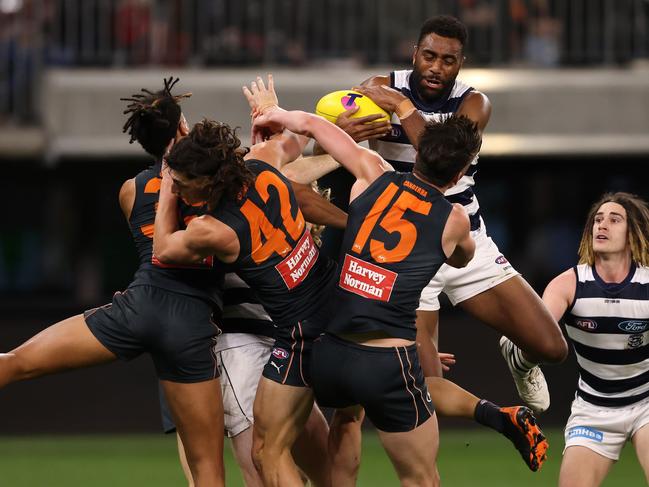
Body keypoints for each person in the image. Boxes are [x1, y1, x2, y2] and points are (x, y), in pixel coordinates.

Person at [251, 100, 546, 484]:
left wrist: (274, 113)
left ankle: (494, 415)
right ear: (459, 174)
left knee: (343, 421)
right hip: (387, 362)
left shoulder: (373, 173)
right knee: (421, 477)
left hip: (332, 352)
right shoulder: (453, 219)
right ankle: (496, 416)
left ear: (419, 153)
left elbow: (311, 125)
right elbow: (462, 260)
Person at [327, 14, 568, 413]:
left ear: (461, 63)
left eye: (448, 60)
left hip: (467, 241)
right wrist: (343, 132)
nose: (437, 67)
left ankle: (518, 357)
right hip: (406, 253)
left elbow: (443, 156)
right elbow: (333, 134)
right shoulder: (379, 90)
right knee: (425, 388)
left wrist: (402, 108)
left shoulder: (474, 104)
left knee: (551, 346)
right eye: (429, 56)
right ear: (414, 54)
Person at [0, 78, 227, 487]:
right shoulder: (223, 183)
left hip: (138, 308)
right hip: (190, 323)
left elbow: (152, 251)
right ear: (182, 128)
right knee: (207, 468)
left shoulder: (131, 190)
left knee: (13, 363)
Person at [152, 76, 344, 487]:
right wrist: (274, 117)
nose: (181, 190)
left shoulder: (214, 227)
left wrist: (168, 188)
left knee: (265, 456)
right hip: (336, 304)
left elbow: (163, 250)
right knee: (337, 441)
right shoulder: (261, 163)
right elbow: (294, 141)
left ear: (206, 182)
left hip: (290, 334)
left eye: (186, 184)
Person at [541, 192, 649, 487]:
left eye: (615, 220)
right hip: (593, 408)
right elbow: (541, 331)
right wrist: (519, 345)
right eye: (598, 220)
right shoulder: (567, 284)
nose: (602, 225)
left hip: (646, 401)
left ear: (632, 233)